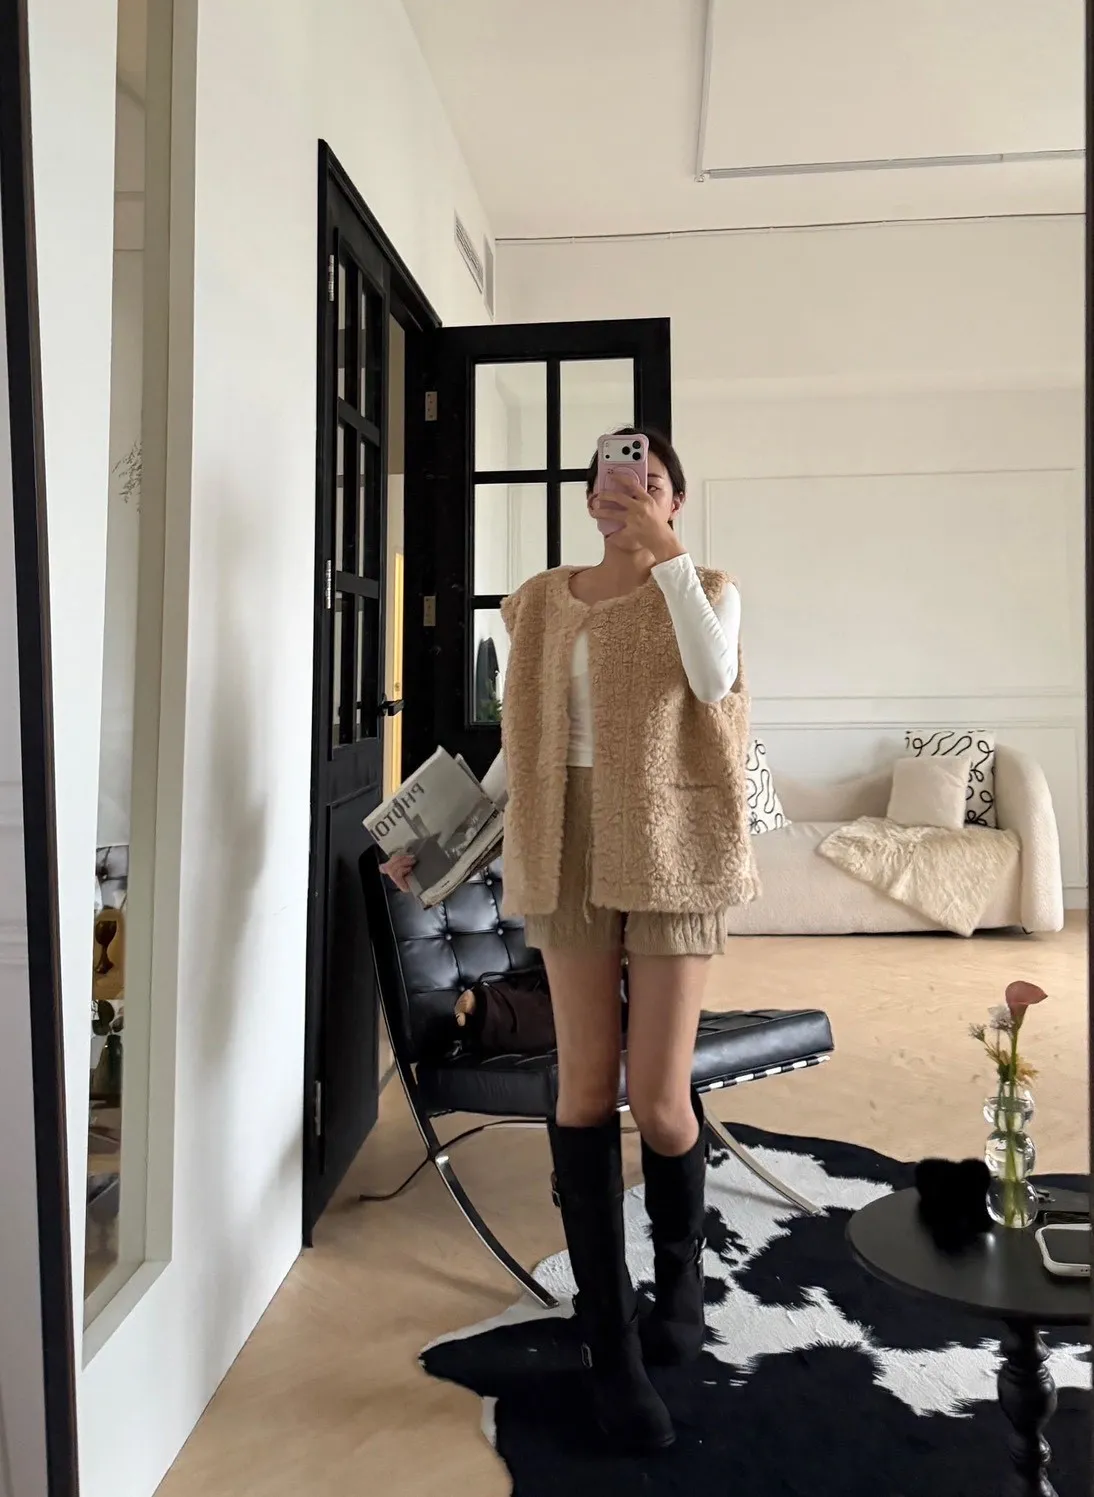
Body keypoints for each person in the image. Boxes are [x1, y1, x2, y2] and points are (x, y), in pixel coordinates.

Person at [382, 428, 757, 1453]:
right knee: (584, 1090)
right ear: (589, 499)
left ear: (674, 500)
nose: (626, 491)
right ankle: (608, 1340)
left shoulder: (706, 587)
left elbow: (712, 682)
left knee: (663, 1100)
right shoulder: (542, 601)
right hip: (564, 839)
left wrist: (665, 559)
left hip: (672, 839)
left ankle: (678, 1274)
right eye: (611, 479)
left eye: (649, 480)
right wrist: (440, 846)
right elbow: (520, 746)